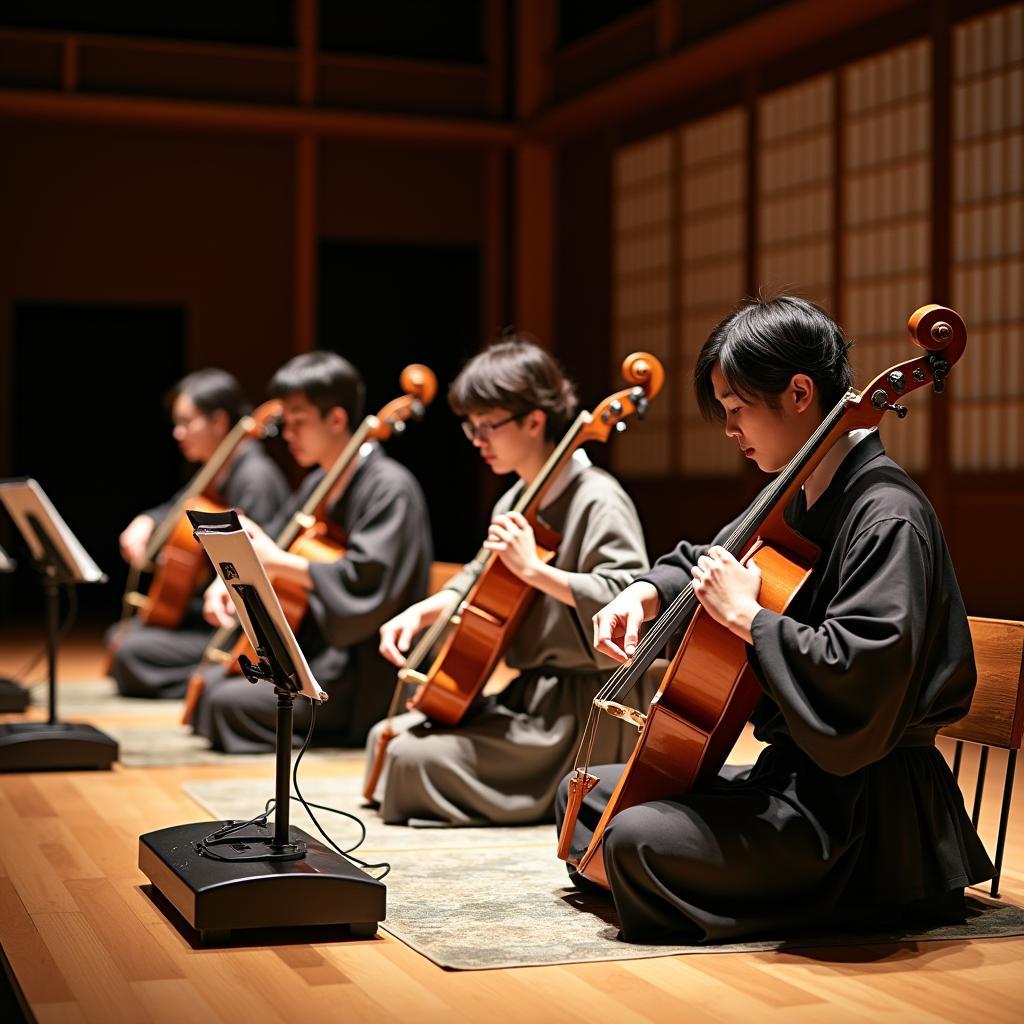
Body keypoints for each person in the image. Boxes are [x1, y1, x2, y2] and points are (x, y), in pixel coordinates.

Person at [558, 295, 993, 944]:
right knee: (584, 792)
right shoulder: (796, 489)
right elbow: (711, 558)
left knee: (633, 838)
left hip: (865, 821)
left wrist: (748, 617)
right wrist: (644, 594)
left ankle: (844, 903)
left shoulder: (888, 513)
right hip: (793, 782)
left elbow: (861, 671)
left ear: (797, 394)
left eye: (736, 410)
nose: (730, 430)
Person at [364, 335, 652, 825]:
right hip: (531, 698)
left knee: (412, 760)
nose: (477, 440)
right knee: (385, 737)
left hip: (583, 711)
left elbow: (625, 599)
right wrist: (421, 612)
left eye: (487, 427)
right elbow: (480, 578)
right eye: (470, 428)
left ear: (534, 421)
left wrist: (535, 571)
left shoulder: (599, 498)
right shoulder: (517, 497)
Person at [194, 350, 433, 752]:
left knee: (223, 703)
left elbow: (365, 581)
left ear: (337, 419)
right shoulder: (318, 483)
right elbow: (274, 548)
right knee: (214, 688)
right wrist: (234, 577)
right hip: (322, 653)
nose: (287, 434)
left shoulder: (390, 487)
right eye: (285, 422)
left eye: (298, 422)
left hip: (363, 670)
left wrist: (276, 562)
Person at [108, 368, 290, 699]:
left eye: (186, 422)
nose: (178, 433)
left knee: (131, 652)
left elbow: (257, 565)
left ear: (219, 422)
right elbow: (177, 507)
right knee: (120, 638)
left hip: (233, 624)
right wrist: (146, 520)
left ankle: (213, 678)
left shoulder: (255, 477)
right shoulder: (215, 469)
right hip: (205, 611)